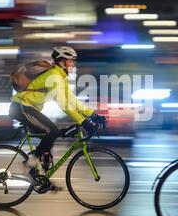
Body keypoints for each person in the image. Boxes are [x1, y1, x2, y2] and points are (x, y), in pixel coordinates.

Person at [9, 46, 106, 191]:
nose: (73, 64)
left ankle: (42, 176)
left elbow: (72, 100)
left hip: (29, 108)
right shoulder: (54, 76)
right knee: (52, 131)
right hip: (22, 107)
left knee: (51, 134)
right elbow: (64, 104)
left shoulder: (60, 76)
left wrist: (92, 115)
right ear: (62, 61)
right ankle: (28, 166)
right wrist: (84, 121)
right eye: (70, 61)